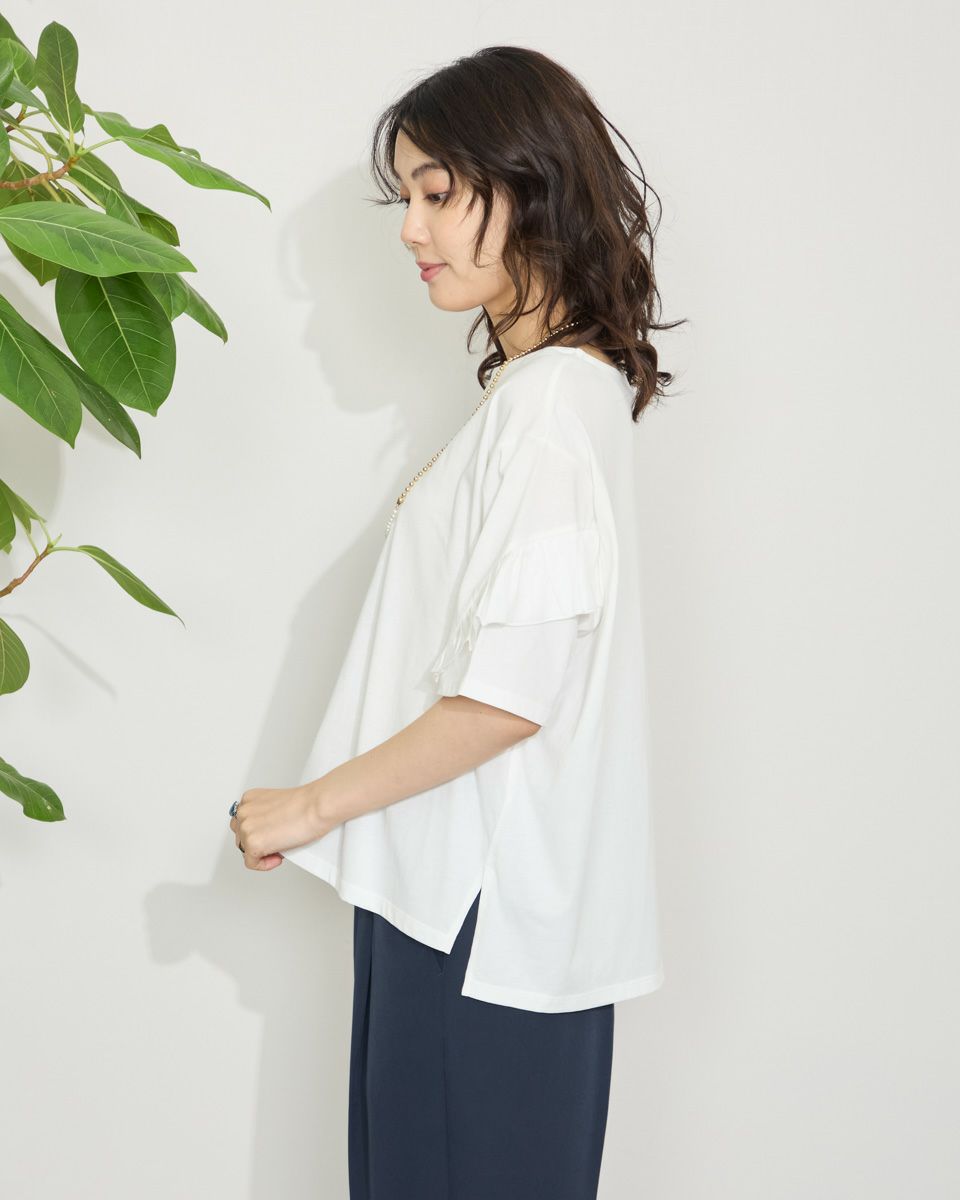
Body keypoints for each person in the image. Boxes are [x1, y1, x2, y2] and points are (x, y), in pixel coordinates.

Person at [229, 43, 685, 1200]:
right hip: (471, 911)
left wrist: (309, 804)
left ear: (529, 190)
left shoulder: (549, 412)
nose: (410, 229)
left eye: (437, 193)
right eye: (408, 197)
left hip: (475, 921)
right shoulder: (550, 398)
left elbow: (506, 700)